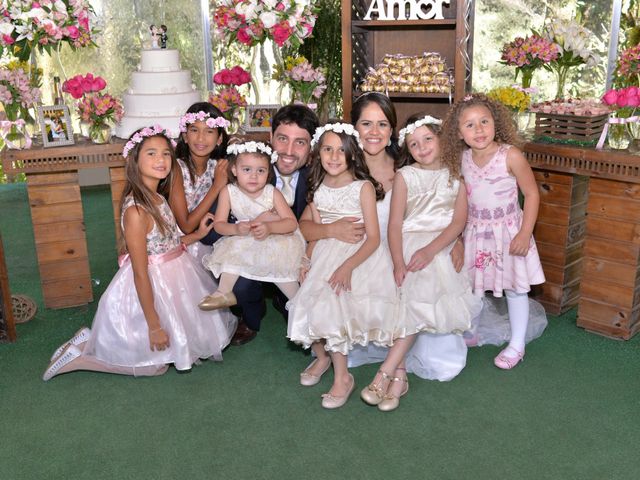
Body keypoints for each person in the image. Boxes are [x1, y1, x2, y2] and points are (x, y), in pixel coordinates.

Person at [42, 126, 237, 381]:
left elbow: (167, 244)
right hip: (150, 286)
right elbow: (140, 272)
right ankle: (79, 359)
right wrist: (154, 326)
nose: (161, 160)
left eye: (166, 154)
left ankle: (87, 339)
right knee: (155, 366)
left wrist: (197, 236)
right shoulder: (136, 211)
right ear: (135, 160)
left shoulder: (157, 196)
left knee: (191, 338)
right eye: (151, 154)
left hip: (175, 274)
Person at [360, 114, 483, 411]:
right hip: (404, 245)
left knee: (416, 299)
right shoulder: (405, 176)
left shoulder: (457, 177)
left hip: (438, 248)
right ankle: (397, 375)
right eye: (414, 144)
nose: (422, 147)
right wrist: (398, 262)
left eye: (428, 139)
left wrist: (431, 251)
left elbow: (457, 223)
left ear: (442, 139)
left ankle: (385, 373)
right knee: (403, 299)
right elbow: (395, 223)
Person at [288, 122, 399, 409]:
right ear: (318, 153)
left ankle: (343, 377)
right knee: (307, 302)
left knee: (333, 308)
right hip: (324, 255)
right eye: (327, 149)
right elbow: (308, 226)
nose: (334, 156)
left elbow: (374, 238)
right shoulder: (317, 187)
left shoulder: (362, 188)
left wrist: (348, 266)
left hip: (359, 258)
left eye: (341, 150)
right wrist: (306, 259)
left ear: (352, 154)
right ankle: (323, 358)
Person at [441, 93, 546, 370]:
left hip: (509, 233)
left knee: (515, 288)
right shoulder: (462, 160)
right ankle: (471, 330)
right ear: (459, 133)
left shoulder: (510, 155)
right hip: (477, 232)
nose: (479, 130)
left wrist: (524, 234)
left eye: (484, 121)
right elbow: (462, 201)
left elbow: (532, 194)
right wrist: (460, 237)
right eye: (470, 125)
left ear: (495, 124)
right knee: (472, 284)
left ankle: (517, 343)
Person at [201, 104, 319, 346]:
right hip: (248, 246)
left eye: (300, 142)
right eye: (283, 139)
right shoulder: (246, 168)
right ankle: (250, 317)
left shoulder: (319, 176)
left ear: (311, 147)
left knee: (301, 304)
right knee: (239, 281)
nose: (288, 150)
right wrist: (237, 227)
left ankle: (294, 309)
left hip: (294, 250)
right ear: (270, 137)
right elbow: (212, 232)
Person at [199, 141, 304, 309]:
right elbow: (219, 225)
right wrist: (234, 229)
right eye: (247, 170)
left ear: (268, 172)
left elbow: (291, 223)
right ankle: (223, 292)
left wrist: (270, 228)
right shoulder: (228, 192)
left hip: (277, 238)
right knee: (232, 250)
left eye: (260, 171)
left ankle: (300, 302)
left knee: (282, 271)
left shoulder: (272, 192)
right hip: (245, 237)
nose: (254, 176)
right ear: (235, 170)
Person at [169, 102, 230, 263]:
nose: (201, 138)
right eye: (194, 130)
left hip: (206, 237)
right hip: (179, 243)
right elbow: (186, 226)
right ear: (185, 136)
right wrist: (217, 186)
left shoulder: (217, 167)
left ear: (219, 138)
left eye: (209, 131)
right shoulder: (177, 169)